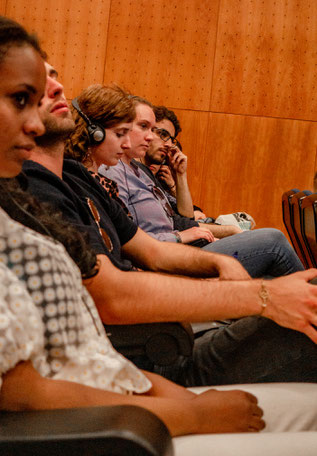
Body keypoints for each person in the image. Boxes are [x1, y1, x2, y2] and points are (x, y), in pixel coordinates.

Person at [0, 15, 268, 437]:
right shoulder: (29, 196)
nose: (35, 119)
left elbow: (89, 353)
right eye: (22, 97)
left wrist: (190, 406)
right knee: (272, 252)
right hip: (109, 421)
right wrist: (258, 297)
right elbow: (29, 391)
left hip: (130, 391)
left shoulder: (65, 180)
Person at [20, 64, 317, 389]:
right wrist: (264, 296)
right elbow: (112, 297)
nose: (57, 86)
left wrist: (220, 261)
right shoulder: (32, 189)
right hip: (147, 360)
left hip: (163, 335)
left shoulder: (77, 176)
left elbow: (154, 251)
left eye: (53, 74)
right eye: (32, 84)